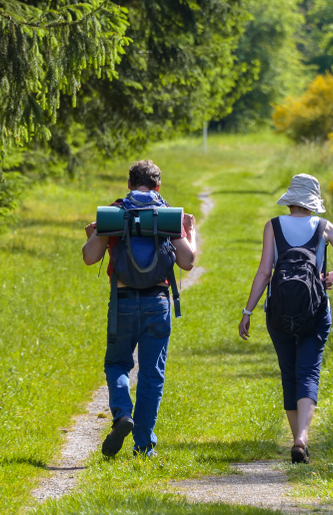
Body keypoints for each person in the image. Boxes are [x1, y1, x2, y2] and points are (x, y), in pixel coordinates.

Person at [238, 173, 333, 463]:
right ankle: (301, 440)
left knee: (289, 373)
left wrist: (248, 312)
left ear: (291, 200)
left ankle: (297, 440)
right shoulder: (324, 227)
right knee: (308, 372)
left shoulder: (273, 226)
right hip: (316, 311)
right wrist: (327, 277)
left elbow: (264, 273)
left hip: (278, 311)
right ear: (313, 202)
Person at [82, 160, 196, 458]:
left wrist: (94, 235)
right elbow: (187, 262)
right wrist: (190, 232)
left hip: (122, 302)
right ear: (158, 186)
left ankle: (122, 416)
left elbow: (89, 258)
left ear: (129, 184)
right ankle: (144, 446)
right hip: (157, 302)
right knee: (151, 374)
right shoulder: (168, 215)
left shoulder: (116, 212)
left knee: (117, 364)